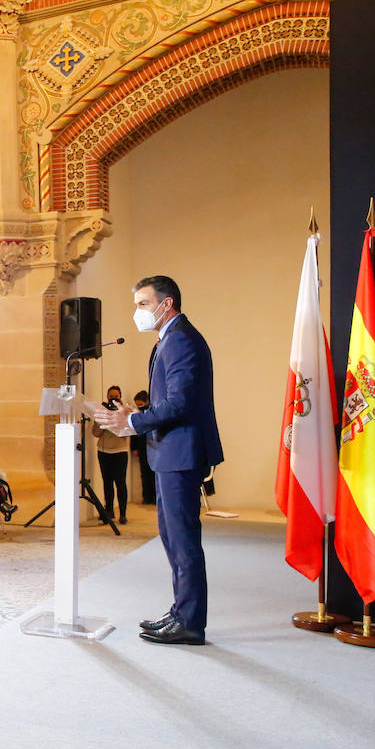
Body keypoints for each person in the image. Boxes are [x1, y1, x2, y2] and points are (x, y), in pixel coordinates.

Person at [92, 275, 222, 646]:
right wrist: (137, 413)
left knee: (182, 539)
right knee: (171, 536)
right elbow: (170, 399)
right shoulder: (170, 338)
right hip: (169, 452)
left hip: (180, 453)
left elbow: (180, 404)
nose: (138, 312)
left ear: (166, 304)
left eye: (143, 304)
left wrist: (132, 421)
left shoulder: (180, 339)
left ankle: (191, 622)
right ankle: (182, 611)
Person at [91, 385, 130, 526]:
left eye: (116, 396)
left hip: (120, 451)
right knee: (107, 483)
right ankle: (109, 512)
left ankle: (123, 514)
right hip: (103, 451)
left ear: (120, 397)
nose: (113, 399)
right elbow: (95, 433)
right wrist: (101, 420)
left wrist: (117, 419)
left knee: (120, 483)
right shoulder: (102, 411)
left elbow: (128, 431)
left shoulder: (125, 412)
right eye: (110, 396)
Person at [131, 390, 155, 504]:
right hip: (142, 448)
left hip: (153, 447)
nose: (139, 407)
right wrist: (133, 448)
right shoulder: (136, 414)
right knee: (144, 474)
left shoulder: (152, 413)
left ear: (147, 402)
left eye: (141, 404)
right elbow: (134, 432)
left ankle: (154, 498)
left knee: (153, 474)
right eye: (137, 405)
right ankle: (146, 498)